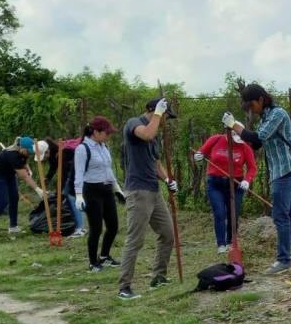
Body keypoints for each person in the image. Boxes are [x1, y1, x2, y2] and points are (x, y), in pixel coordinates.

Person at [223, 85, 291, 274]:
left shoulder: (278, 114)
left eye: (252, 105)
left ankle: (284, 260)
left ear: (261, 99)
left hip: (284, 169)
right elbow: (258, 143)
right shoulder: (266, 117)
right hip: (279, 169)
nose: (251, 110)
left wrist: (234, 125)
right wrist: (238, 131)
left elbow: (259, 136)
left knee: (280, 215)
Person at [117, 98, 179, 300]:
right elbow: (147, 134)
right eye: (165, 116)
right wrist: (159, 114)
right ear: (154, 111)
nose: (165, 122)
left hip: (154, 191)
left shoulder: (156, 135)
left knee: (168, 234)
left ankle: (158, 277)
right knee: (135, 240)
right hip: (138, 191)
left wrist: (168, 180)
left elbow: (156, 164)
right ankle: (124, 288)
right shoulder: (134, 123)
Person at [194, 129, 257, 255]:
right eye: (234, 136)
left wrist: (247, 180)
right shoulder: (215, 140)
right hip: (215, 183)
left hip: (236, 184)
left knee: (233, 214)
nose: (237, 140)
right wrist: (198, 156)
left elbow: (252, 168)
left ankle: (230, 242)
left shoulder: (244, 146)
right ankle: (221, 244)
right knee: (219, 213)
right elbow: (201, 153)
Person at [75, 117, 122, 272]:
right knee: (96, 228)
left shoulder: (104, 146)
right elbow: (79, 173)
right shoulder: (83, 149)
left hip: (107, 190)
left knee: (113, 226)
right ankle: (93, 262)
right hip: (92, 190)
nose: (108, 136)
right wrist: (79, 195)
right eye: (106, 133)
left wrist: (117, 189)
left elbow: (108, 170)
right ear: (96, 132)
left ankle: (104, 256)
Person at [0, 137, 42, 235]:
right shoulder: (12, 155)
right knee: (3, 201)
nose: (29, 154)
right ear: (22, 148)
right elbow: (24, 176)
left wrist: (28, 169)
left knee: (14, 198)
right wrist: (38, 189)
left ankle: (13, 227)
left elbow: (24, 162)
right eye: (28, 151)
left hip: (9, 175)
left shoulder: (23, 152)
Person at [35, 139, 86, 238]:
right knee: (67, 195)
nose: (44, 158)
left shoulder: (63, 153)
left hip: (77, 173)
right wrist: (47, 178)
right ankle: (78, 221)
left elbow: (64, 175)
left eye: (44, 155)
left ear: (47, 150)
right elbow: (53, 167)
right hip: (71, 173)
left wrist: (59, 192)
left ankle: (80, 228)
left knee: (70, 196)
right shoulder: (53, 154)